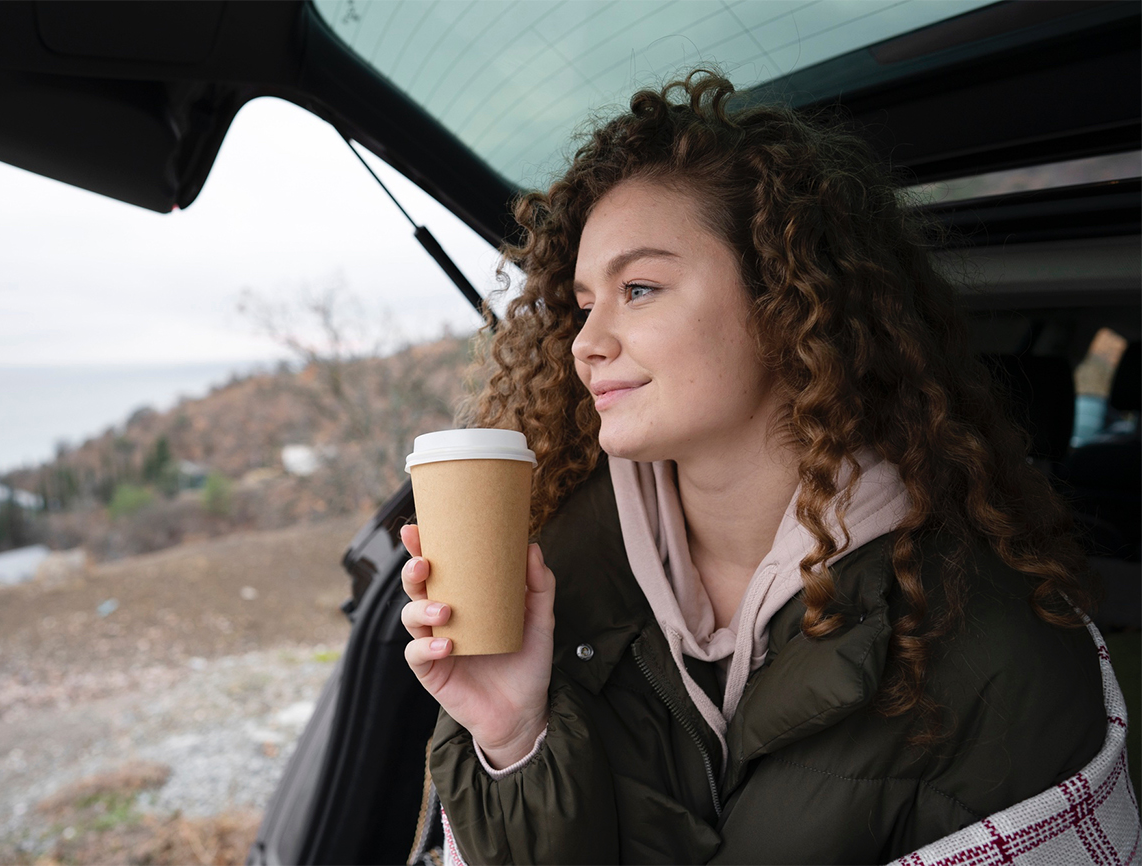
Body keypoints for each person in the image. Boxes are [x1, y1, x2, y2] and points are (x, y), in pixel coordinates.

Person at [397, 71, 1119, 864]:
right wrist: (514, 740)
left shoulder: (997, 649)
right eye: (584, 304)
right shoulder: (541, 587)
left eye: (639, 288)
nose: (586, 343)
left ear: (787, 298)